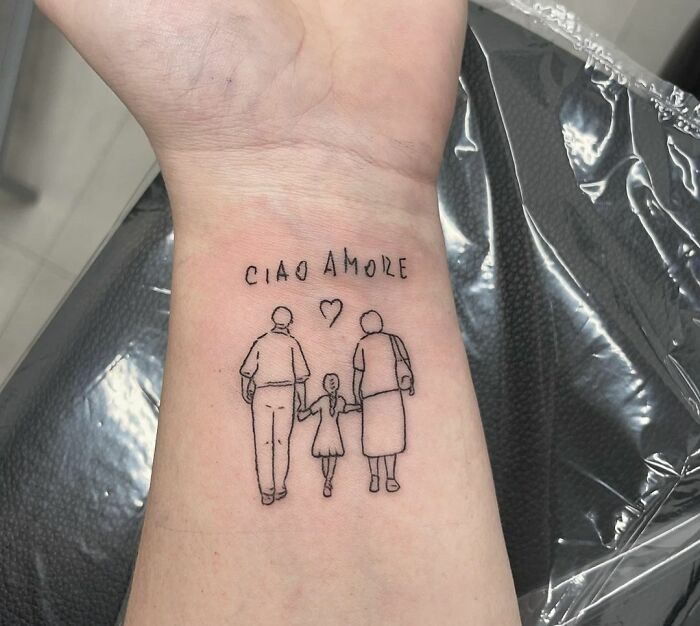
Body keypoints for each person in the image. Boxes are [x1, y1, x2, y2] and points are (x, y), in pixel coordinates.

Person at [35, 0, 522, 623]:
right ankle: (284, 483)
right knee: (302, 446)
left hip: (303, 397)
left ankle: (312, 480)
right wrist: (284, 169)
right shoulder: (298, 341)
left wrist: (311, 181)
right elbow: (294, 369)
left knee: (347, 443)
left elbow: (353, 369)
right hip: (288, 396)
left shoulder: (308, 343)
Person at [240, 306, 310, 505]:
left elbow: (246, 372)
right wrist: (303, 401)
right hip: (286, 393)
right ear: (289, 323)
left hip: (262, 393)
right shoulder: (292, 344)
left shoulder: (261, 342)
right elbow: (301, 378)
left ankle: (266, 490)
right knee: (281, 442)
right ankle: (279, 487)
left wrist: (245, 391)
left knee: (263, 442)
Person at [353, 310, 414, 493]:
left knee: (372, 440)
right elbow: (406, 363)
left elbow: (358, 373)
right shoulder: (393, 340)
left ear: (364, 326)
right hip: (392, 393)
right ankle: (390, 478)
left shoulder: (362, 344)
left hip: (370, 396)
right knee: (392, 438)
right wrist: (410, 383)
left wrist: (356, 394)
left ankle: (374, 478)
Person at [298, 373, 360, 498]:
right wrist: (302, 414)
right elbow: (311, 410)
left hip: (331, 432)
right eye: (329, 382)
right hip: (325, 432)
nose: (331, 384)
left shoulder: (337, 401)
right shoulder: (324, 400)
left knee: (331, 457)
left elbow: (346, 408)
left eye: (333, 381)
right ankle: (327, 479)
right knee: (326, 457)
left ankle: (328, 481)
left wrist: (358, 406)